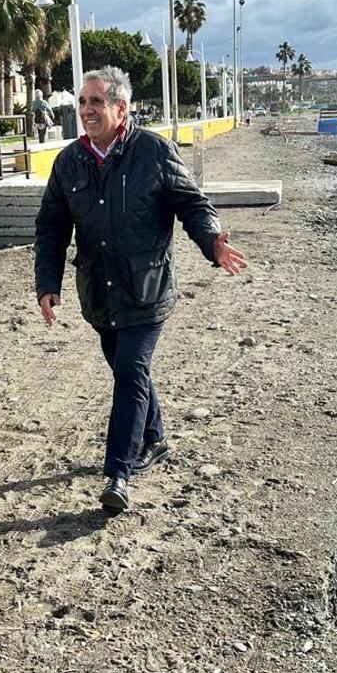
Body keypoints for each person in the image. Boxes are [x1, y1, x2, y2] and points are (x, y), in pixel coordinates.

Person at [35, 66, 248, 515]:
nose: (86, 110)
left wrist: (213, 242)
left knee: (130, 371)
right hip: (99, 292)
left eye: (96, 101)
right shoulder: (69, 161)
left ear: (121, 107)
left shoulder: (153, 151)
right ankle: (155, 438)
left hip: (147, 289)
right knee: (128, 370)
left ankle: (118, 472)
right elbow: (51, 227)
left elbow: (192, 205)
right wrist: (47, 284)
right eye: (82, 102)